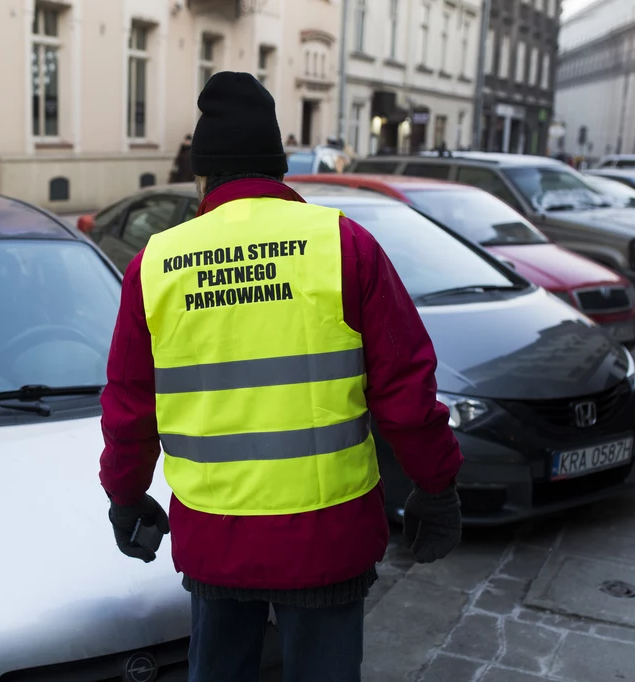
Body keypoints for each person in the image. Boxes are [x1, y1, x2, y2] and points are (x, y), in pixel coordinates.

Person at [99, 72, 463, 682]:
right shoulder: (344, 247)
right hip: (329, 536)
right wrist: (436, 485)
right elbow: (407, 392)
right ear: (279, 167)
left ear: (203, 173)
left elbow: (131, 406)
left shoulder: (156, 265)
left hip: (216, 539)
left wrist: (126, 496)